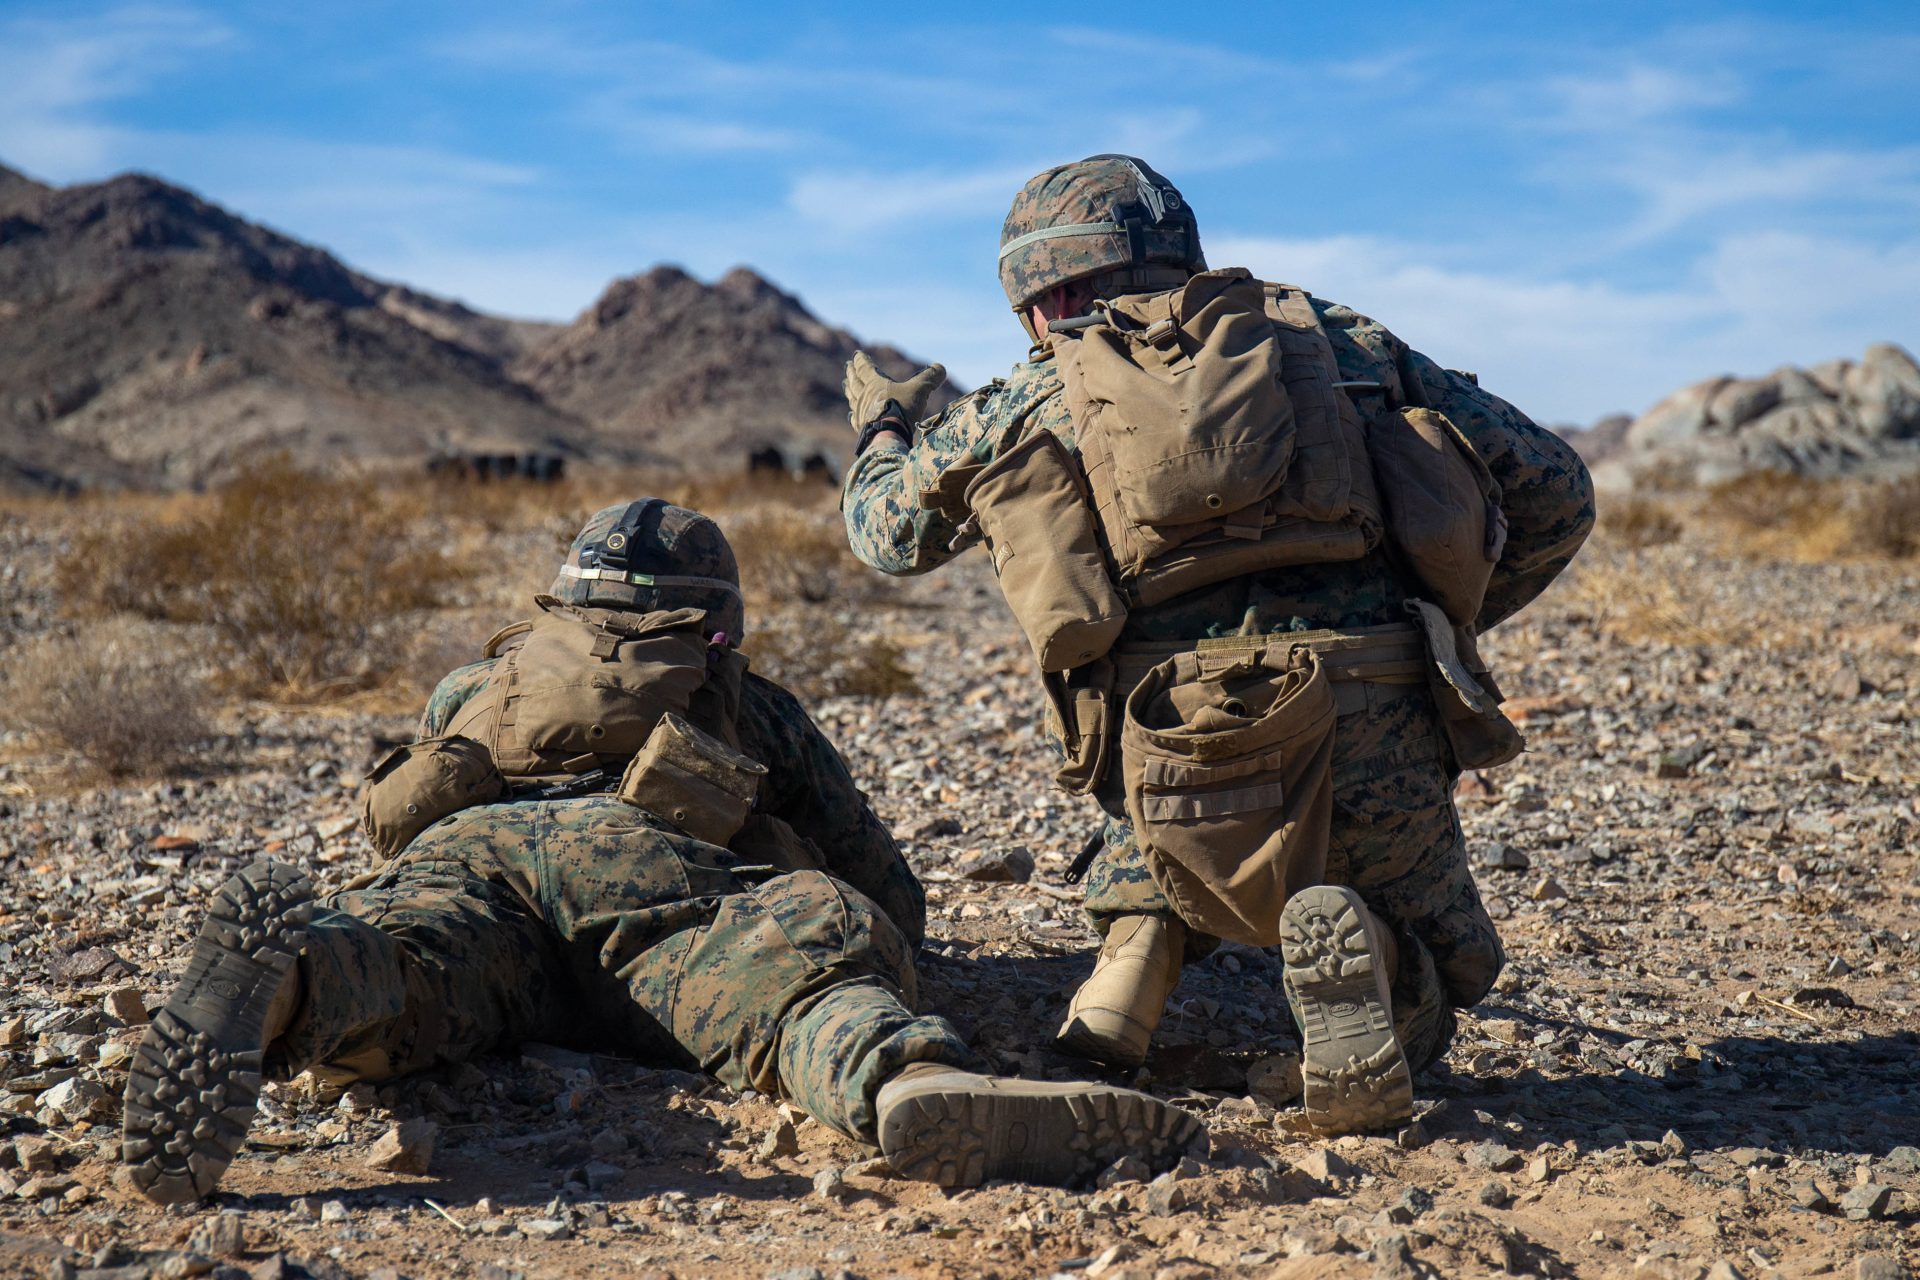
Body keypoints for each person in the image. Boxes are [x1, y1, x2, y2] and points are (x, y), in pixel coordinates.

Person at [122, 499, 1205, 1206]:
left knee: (412, 958)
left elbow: (411, 799)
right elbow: (881, 887)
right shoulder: (749, 700)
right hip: (649, 868)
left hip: (475, 857)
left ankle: (290, 983)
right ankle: (902, 1079)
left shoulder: (480, 685)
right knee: (804, 963)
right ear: (714, 621)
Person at [839, 156, 1594, 1135]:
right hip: (1382, 718)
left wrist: (885, 428)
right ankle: (1378, 959)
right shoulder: (1337, 338)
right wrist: (1445, 620)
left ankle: (1129, 970)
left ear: (1047, 293)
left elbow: (885, 536)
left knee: (1153, 791)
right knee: (1444, 954)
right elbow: (1558, 489)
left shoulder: (1035, 391)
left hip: (1174, 748)